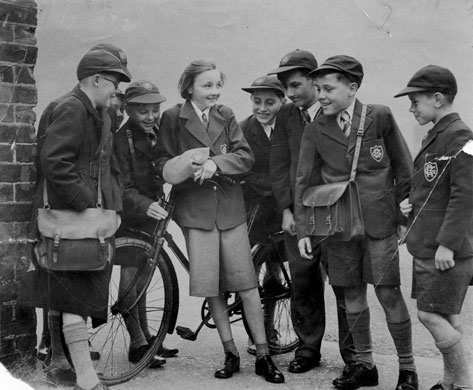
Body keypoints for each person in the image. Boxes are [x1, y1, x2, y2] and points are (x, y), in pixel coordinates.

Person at [156, 59, 284, 384]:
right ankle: (231, 353)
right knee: (212, 287)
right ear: (189, 88)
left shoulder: (225, 115)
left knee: (247, 284)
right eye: (206, 85)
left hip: (230, 210)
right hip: (196, 212)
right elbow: (161, 161)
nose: (213, 92)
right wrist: (183, 165)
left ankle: (264, 354)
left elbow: (245, 157)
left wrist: (215, 163)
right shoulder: (173, 117)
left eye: (217, 85)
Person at [295, 55, 417, 390]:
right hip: (339, 224)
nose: (320, 95)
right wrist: (305, 229)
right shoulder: (314, 130)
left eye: (328, 88)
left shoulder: (379, 116)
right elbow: (303, 181)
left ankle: (408, 369)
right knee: (350, 293)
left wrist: (407, 214)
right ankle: (365, 365)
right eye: (317, 88)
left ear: (352, 88)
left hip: (380, 222)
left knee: (388, 292)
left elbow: (404, 168)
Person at [24, 45, 131, 390]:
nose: (116, 89)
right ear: (96, 79)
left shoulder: (96, 111)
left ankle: (80, 372)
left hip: (84, 218)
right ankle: (85, 377)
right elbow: (55, 162)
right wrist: (86, 201)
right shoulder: (72, 109)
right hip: (74, 218)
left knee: (78, 294)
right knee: (77, 294)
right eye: (114, 81)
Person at [268, 49, 355, 374]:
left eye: (295, 84)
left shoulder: (337, 110)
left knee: (345, 285)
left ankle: (354, 357)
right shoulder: (287, 115)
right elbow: (279, 165)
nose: (290, 94)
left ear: (313, 79)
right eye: (286, 88)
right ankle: (308, 349)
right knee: (303, 283)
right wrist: (287, 209)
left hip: (336, 215)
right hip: (301, 216)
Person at [395, 65, 473, 390]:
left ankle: (464, 382)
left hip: (442, 249)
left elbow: (466, 193)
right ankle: (451, 381)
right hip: (427, 243)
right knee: (447, 316)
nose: (412, 108)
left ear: (438, 98)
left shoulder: (462, 137)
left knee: (429, 315)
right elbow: (432, 184)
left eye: (415, 101)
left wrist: (448, 244)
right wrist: (408, 202)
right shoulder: (439, 133)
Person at [114, 80, 179, 365]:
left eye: (155, 110)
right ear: (129, 110)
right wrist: (145, 205)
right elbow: (121, 186)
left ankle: (146, 338)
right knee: (131, 281)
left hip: (152, 214)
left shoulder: (157, 133)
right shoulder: (121, 140)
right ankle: (138, 343)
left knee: (144, 278)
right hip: (130, 216)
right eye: (143, 112)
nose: (151, 116)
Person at [239, 75, 286, 355]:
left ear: (282, 101)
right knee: (249, 270)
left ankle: (270, 327)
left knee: (276, 268)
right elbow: (243, 168)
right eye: (257, 102)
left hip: (281, 209)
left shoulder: (288, 128)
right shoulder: (244, 129)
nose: (263, 108)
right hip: (254, 207)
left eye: (270, 102)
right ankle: (253, 332)